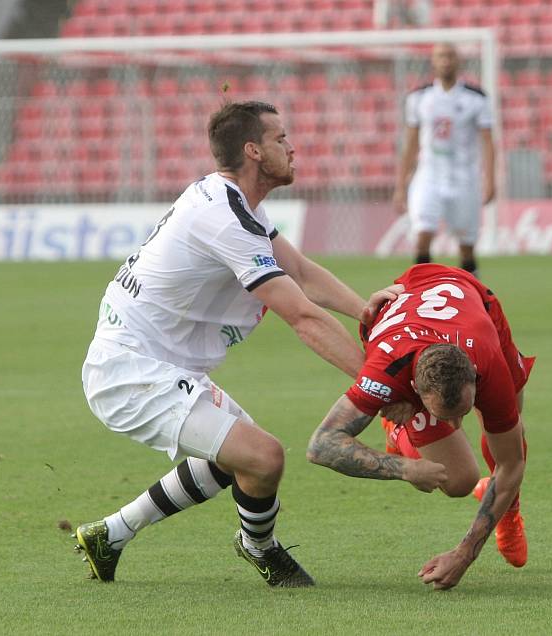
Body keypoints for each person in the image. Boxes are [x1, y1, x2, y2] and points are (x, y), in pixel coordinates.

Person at [75, 101, 397, 587]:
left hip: (157, 364)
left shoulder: (234, 203)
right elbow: (302, 316)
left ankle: (110, 535)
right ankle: (260, 548)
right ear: (253, 150)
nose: (291, 147)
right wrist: (381, 386)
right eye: (280, 139)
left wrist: (366, 311)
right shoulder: (225, 219)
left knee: (241, 460)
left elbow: (303, 273)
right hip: (131, 371)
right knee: (262, 456)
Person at [306, 263, 534, 590]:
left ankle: (508, 510)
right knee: (459, 481)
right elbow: (321, 445)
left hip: (477, 303)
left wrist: (465, 554)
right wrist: (405, 469)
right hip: (410, 317)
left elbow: (512, 462)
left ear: (474, 374)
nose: (456, 424)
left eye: (464, 411)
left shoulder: (487, 361)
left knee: (510, 430)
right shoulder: (385, 369)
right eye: (446, 417)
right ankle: (398, 433)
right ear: (413, 389)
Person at [392, 43, 496, 276]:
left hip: (464, 178)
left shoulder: (475, 98)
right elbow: (410, 143)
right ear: (433, 62)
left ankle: (475, 299)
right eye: (440, 56)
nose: (445, 61)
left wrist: (490, 179)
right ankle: (419, 295)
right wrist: (401, 185)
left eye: (450, 56)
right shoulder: (419, 97)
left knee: (467, 247)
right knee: (422, 236)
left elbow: (488, 141)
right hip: (428, 176)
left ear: (458, 61)